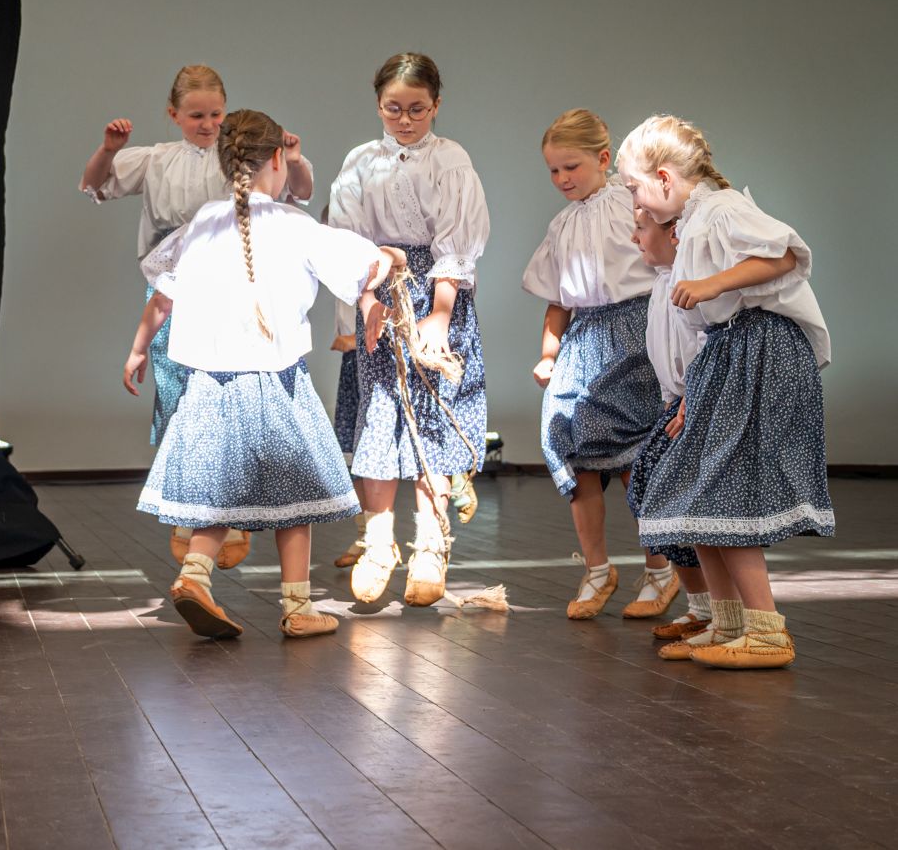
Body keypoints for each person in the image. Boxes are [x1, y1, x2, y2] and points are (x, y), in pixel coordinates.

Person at [123, 109, 399, 639]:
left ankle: (194, 575)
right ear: (277, 158)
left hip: (210, 385)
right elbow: (363, 264)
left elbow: (161, 298)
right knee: (295, 499)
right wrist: (383, 270)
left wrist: (137, 351)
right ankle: (297, 607)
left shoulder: (203, 223)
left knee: (218, 496)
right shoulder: (295, 225)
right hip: (277, 383)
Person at [618, 114, 832, 669]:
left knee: (720, 488)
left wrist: (713, 283)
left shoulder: (721, 208)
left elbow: (786, 254)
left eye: (635, 188)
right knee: (697, 491)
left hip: (759, 349)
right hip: (730, 351)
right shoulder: (694, 220)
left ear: (664, 179)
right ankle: (728, 622)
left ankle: (767, 632)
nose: (634, 201)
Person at [80, 65, 313, 569]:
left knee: (228, 388)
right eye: (196, 116)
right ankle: (190, 510)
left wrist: (292, 159)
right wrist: (109, 150)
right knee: (177, 389)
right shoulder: (157, 159)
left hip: (226, 277)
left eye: (215, 115)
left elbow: (297, 190)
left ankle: (230, 509)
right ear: (174, 115)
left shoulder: (235, 157)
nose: (207, 125)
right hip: (174, 278)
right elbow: (95, 184)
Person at [330, 53, 488, 606]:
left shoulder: (450, 159)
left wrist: (440, 314)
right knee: (379, 413)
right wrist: (367, 298)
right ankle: (378, 543)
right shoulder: (360, 161)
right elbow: (347, 240)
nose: (404, 119)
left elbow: (457, 243)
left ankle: (430, 544)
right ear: (378, 105)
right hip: (379, 290)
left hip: (436, 291)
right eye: (393, 108)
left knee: (430, 415)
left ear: (436, 105)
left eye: (417, 108)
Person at [522, 109, 669, 619]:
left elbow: (663, 267)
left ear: (604, 159)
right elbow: (558, 301)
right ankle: (597, 568)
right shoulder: (561, 225)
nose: (563, 179)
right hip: (585, 337)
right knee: (568, 440)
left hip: (635, 331)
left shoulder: (632, 204)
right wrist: (548, 353)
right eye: (554, 170)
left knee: (632, 450)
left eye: (572, 167)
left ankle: (661, 568)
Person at [626, 206, 713, 638]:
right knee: (651, 493)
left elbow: (706, 342)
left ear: (673, 233)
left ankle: (717, 608)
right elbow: (665, 353)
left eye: (641, 229)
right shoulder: (661, 283)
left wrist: (691, 398)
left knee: (684, 504)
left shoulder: (687, 281)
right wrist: (669, 400)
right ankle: (703, 606)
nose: (634, 238)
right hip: (676, 404)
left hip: (697, 403)